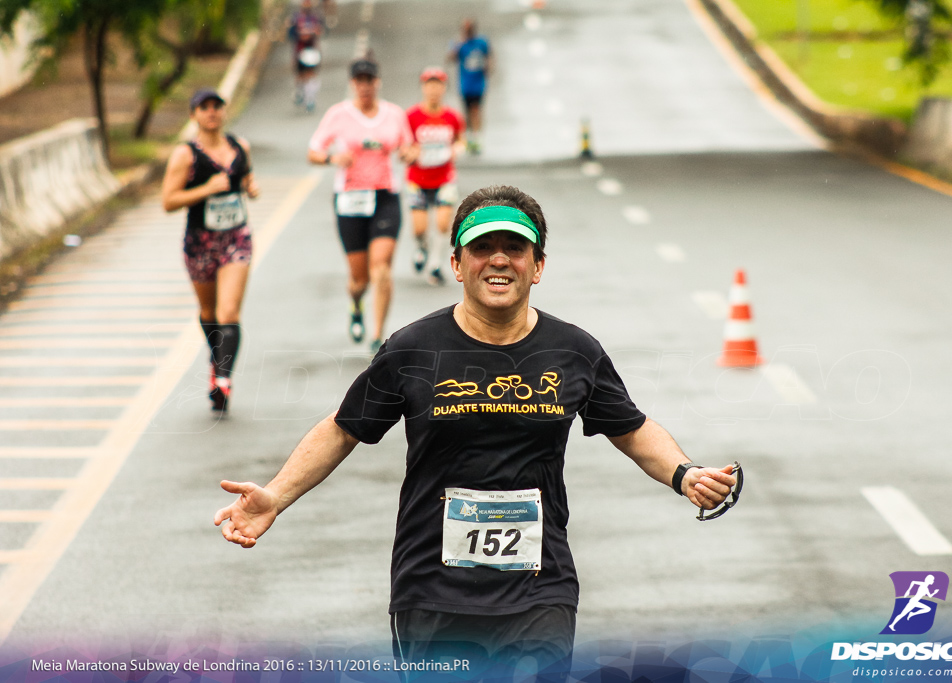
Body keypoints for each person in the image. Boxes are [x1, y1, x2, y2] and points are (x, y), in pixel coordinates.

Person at [214, 185, 739, 681]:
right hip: (432, 592)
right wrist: (275, 497)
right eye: (481, 247)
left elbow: (630, 427)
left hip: (540, 589)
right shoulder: (413, 350)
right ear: (457, 264)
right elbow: (344, 429)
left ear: (538, 267)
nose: (499, 259)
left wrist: (684, 473)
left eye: (515, 247)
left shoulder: (574, 351)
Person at [307, 58, 416, 352]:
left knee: (382, 267)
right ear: (352, 84)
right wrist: (332, 158)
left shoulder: (394, 114)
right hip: (350, 199)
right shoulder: (338, 115)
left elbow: (410, 145)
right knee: (360, 278)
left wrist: (408, 153)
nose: (365, 86)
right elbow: (314, 151)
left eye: (370, 80)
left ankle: (377, 334)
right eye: (359, 81)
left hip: (385, 197)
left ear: (377, 82)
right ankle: (356, 304)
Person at [162, 89, 260, 413]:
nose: (212, 112)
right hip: (200, 243)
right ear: (194, 115)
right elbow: (168, 201)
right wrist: (206, 189)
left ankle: (222, 380)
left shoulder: (240, 146)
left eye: (217, 106)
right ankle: (216, 360)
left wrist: (250, 186)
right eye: (204, 107)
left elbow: (246, 178)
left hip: (236, 238)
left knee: (228, 312)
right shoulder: (185, 155)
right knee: (209, 313)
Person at [406, 67, 465, 286]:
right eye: (429, 85)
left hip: (444, 178)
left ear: (443, 88)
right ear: (423, 88)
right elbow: (403, 145)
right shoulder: (412, 117)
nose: (433, 90)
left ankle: (435, 265)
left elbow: (461, 139)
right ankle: (422, 246)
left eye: (438, 85)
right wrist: (409, 152)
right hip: (417, 180)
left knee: (442, 223)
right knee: (420, 228)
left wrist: (458, 148)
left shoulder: (452, 117)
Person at [448, 19, 490, 154]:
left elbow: (489, 57)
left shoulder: (482, 42)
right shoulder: (459, 43)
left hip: (479, 83)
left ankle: (477, 138)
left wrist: (488, 67)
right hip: (465, 84)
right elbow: (450, 58)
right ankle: (470, 137)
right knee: (467, 113)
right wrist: (458, 46)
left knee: (476, 110)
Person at [287, 0, 325, 112]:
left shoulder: (316, 18)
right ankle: (301, 92)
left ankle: (310, 99)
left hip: (312, 51)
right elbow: (291, 34)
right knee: (300, 76)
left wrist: (313, 32)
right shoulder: (295, 18)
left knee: (311, 74)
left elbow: (321, 31)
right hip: (300, 51)